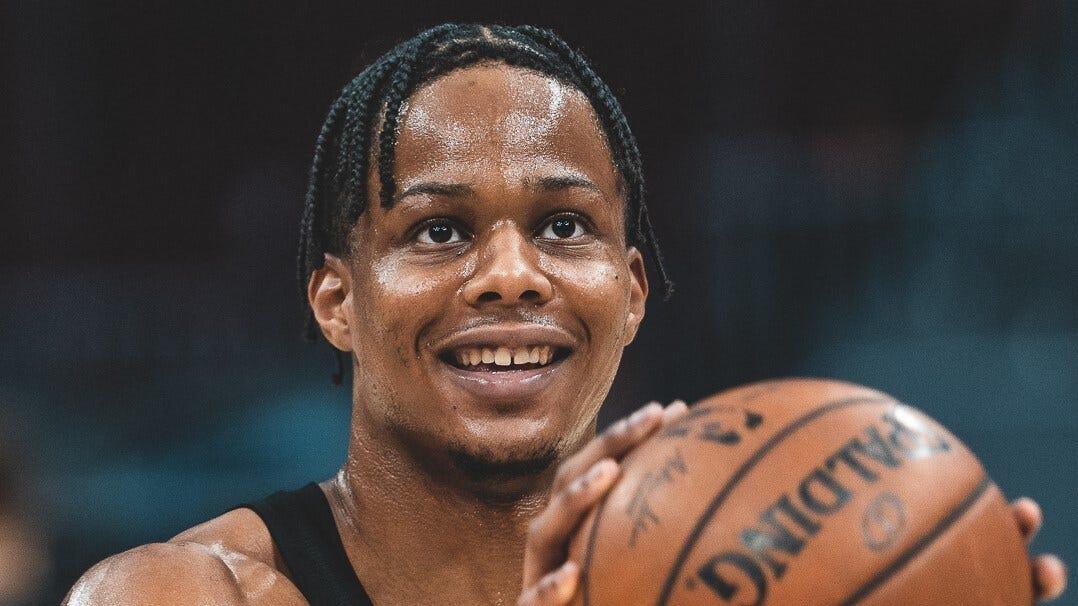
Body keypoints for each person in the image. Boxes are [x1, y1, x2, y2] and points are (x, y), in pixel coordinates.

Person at [64, 23, 1066, 606]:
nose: (511, 275)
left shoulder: (738, 580)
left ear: (630, 293)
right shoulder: (185, 592)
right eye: (439, 231)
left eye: (562, 226)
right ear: (337, 300)